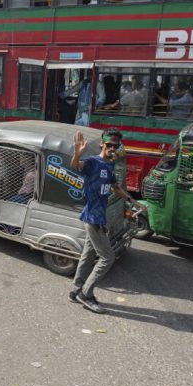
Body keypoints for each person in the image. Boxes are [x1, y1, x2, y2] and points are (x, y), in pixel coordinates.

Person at [68, 131, 145, 314]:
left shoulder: (110, 165)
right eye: (109, 145)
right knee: (107, 258)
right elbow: (74, 165)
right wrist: (78, 152)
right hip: (93, 218)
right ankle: (86, 294)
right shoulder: (93, 162)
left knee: (88, 255)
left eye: (115, 146)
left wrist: (133, 201)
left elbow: (115, 187)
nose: (112, 148)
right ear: (102, 144)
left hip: (100, 216)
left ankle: (75, 289)